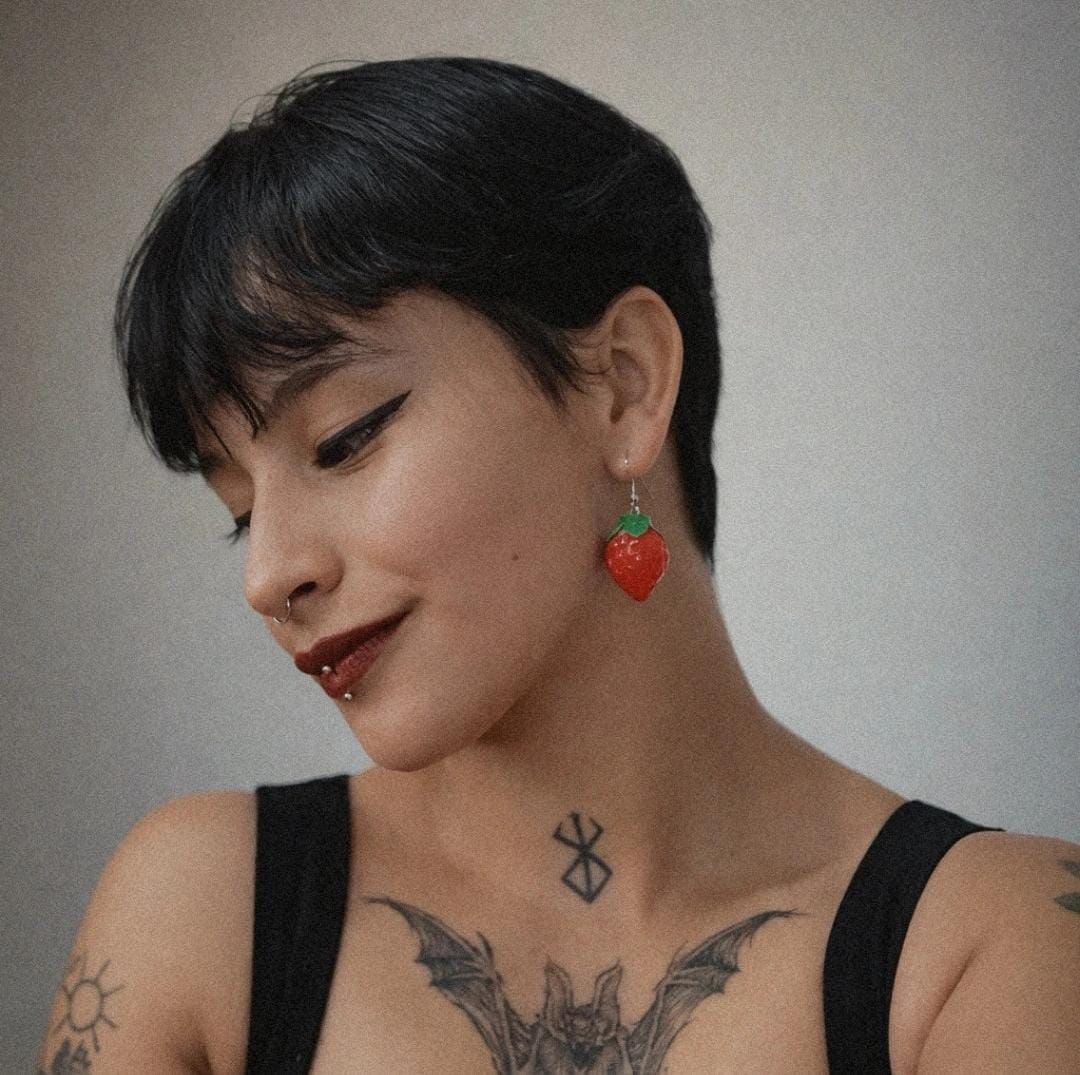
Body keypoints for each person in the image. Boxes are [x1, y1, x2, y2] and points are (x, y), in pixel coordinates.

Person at [37, 55, 1078, 1075]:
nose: (269, 575)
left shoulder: (995, 946)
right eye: (239, 509)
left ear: (623, 385)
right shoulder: (206, 914)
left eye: (345, 438)